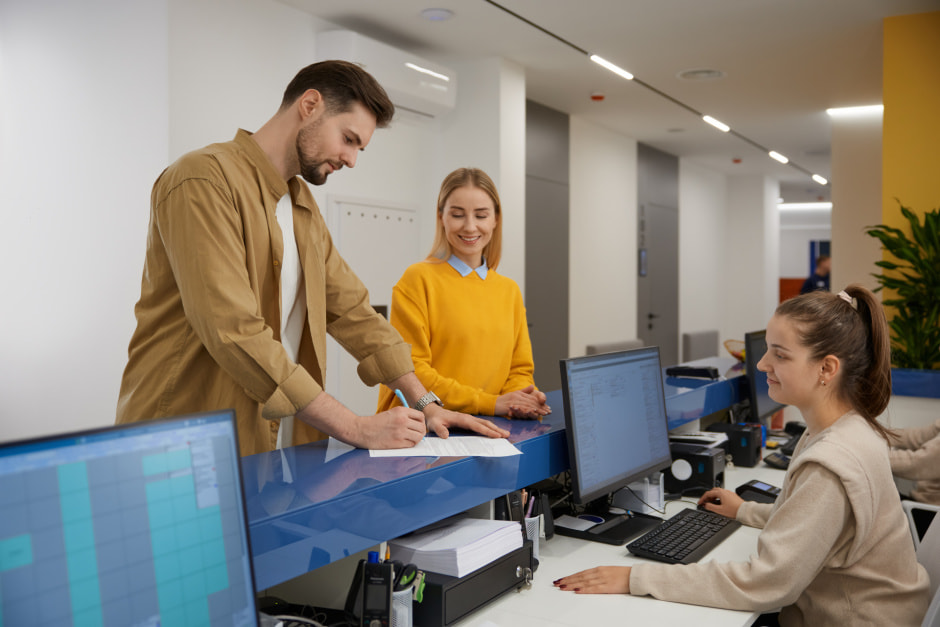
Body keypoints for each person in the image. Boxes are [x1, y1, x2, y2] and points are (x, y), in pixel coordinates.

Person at [116, 61, 508, 456]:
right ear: (310, 105)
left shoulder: (301, 205)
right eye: (349, 139)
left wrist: (426, 403)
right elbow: (234, 331)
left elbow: (353, 312)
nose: (352, 159)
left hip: (262, 444)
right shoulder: (202, 180)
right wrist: (355, 427)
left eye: (359, 148)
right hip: (180, 442)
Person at [554, 285, 930, 626]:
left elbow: (768, 584)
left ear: (827, 369)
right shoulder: (848, 427)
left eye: (779, 355)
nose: (763, 364)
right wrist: (745, 511)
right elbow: (813, 522)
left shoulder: (830, 463)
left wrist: (637, 578)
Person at [376, 168, 550, 419]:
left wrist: (519, 400)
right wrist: (490, 403)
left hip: (491, 426)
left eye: (481, 215)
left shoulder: (509, 290)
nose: (470, 227)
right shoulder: (418, 279)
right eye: (457, 215)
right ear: (441, 217)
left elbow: (519, 369)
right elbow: (412, 371)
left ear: (496, 219)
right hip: (426, 430)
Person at [891, 418, 940, 505]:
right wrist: (881, 433)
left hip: (929, 510)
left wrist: (876, 455)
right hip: (923, 503)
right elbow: (918, 437)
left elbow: (916, 463)